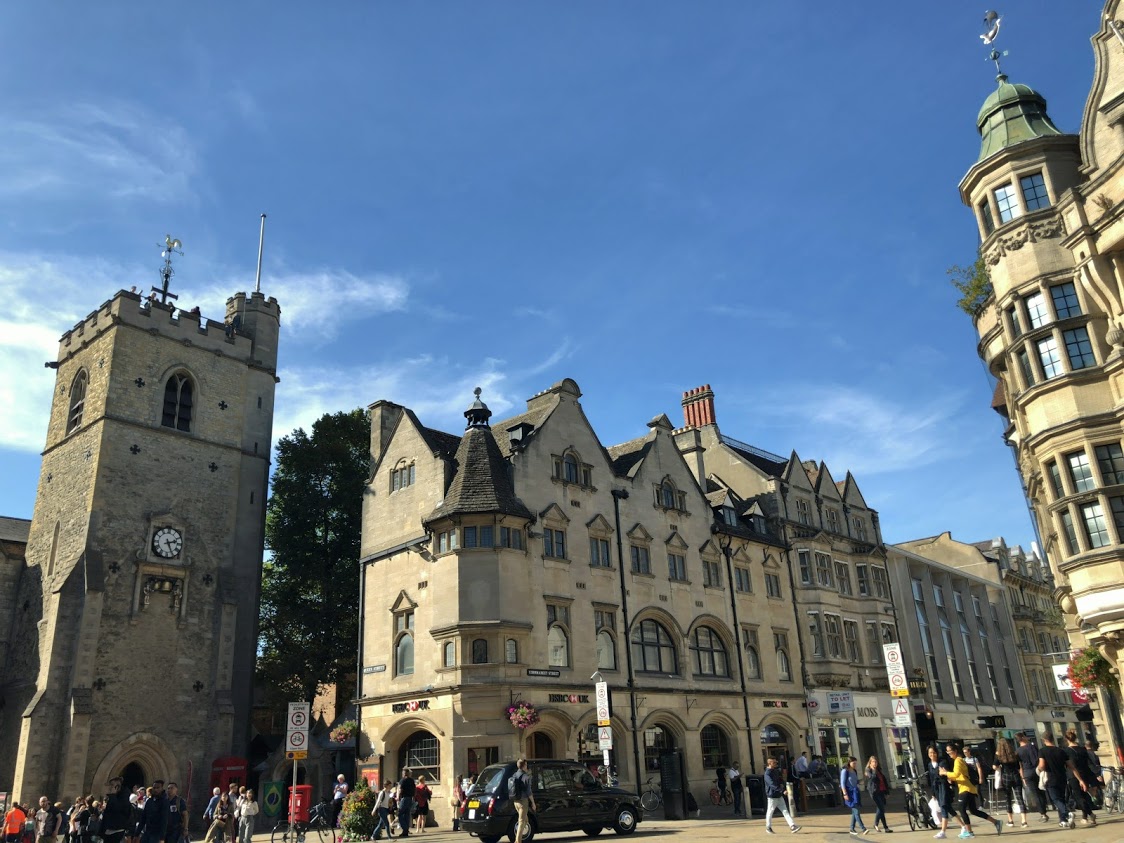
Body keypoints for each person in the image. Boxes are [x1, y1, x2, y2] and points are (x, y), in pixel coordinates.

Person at [941, 743, 1001, 838]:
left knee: (961, 809)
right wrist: (950, 778)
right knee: (974, 810)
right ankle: (996, 822)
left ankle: (969, 832)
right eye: (947, 751)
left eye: (950, 751)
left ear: (955, 751)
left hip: (966, 789)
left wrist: (945, 773)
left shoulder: (958, 760)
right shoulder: (960, 760)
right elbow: (959, 775)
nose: (948, 753)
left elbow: (956, 774)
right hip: (969, 788)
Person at [1037, 732, 1073, 829]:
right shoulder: (1061, 751)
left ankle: (1067, 812)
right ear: (1052, 739)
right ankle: (1063, 820)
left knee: (1056, 799)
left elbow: (1042, 765)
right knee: (1061, 798)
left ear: (1044, 740)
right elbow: (1070, 765)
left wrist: (1039, 769)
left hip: (1050, 777)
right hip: (1062, 777)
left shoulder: (1042, 751)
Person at [1063, 729, 1097, 825]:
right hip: (1084, 774)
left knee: (1078, 797)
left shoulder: (1066, 751)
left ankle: (1090, 814)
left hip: (1073, 775)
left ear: (1066, 739)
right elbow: (1088, 763)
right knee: (1084, 795)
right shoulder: (1083, 749)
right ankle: (1085, 817)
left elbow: (1068, 765)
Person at [991, 738, 1025, 829]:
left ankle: (1010, 820)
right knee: (1020, 798)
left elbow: (994, 766)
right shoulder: (1014, 754)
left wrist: (999, 765)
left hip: (1006, 777)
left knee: (1008, 798)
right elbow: (1018, 766)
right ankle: (1024, 821)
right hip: (1016, 776)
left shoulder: (999, 755)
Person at [1014, 734, 1047, 823]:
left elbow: (1020, 766)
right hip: (1037, 770)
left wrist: (1023, 777)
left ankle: (1043, 813)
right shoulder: (1032, 747)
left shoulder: (1018, 751)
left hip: (1027, 772)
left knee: (1035, 793)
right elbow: (1038, 759)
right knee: (1041, 790)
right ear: (1023, 738)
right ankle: (1044, 807)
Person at [926, 744, 956, 840]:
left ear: (937, 753)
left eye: (934, 752)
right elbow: (931, 779)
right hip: (936, 789)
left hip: (944, 787)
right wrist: (933, 793)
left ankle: (943, 831)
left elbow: (946, 774)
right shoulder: (929, 764)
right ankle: (964, 826)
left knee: (943, 807)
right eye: (930, 753)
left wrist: (945, 775)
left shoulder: (942, 762)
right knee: (948, 808)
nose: (932, 754)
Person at [763, 757, 799, 834]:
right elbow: (771, 784)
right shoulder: (767, 773)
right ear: (769, 763)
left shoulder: (775, 771)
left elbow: (780, 780)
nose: (776, 764)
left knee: (785, 810)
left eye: (776, 762)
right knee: (770, 811)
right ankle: (768, 827)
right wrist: (782, 790)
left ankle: (792, 826)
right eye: (774, 762)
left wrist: (783, 784)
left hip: (778, 795)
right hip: (772, 796)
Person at [508, 759, 535, 843]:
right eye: (526, 765)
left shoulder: (514, 775)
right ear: (524, 766)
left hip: (515, 801)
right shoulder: (525, 776)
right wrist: (533, 803)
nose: (527, 767)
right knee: (522, 822)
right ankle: (518, 841)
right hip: (523, 802)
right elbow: (529, 791)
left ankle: (518, 838)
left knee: (525, 820)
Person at [840, 757, 868, 836]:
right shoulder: (845, 771)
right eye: (854, 763)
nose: (855, 765)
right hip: (849, 792)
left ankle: (852, 828)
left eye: (856, 763)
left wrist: (863, 779)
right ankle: (863, 828)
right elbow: (842, 783)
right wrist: (845, 794)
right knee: (856, 810)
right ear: (849, 763)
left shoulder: (854, 771)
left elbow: (856, 781)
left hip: (855, 792)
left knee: (854, 811)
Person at [864, 756, 892, 833]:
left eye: (876, 762)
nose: (875, 763)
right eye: (873, 762)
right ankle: (876, 824)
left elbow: (884, 781)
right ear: (870, 763)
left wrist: (887, 792)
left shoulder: (879, 770)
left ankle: (885, 827)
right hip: (874, 791)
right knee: (881, 808)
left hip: (882, 791)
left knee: (880, 809)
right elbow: (872, 778)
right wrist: (873, 770)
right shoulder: (868, 770)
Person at [396, 769, 415, 839]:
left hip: (404, 798)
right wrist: (413, 798)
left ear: (404, 773)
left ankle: (405, 828)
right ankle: (405, 832)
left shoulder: (402, 780)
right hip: (410, 798)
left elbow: (400, 789)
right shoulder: (411, 780)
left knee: (399, 813)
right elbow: (414, 789)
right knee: (407, 814)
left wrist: (398, 797)